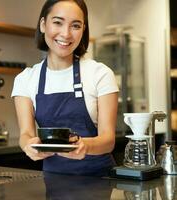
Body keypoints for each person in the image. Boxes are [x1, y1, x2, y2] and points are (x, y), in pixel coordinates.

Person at [11, 0, 119, 176]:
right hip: (53, 181)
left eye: (75, 25)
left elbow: (108, 140)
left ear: (83, 29)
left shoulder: (100, 74)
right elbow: (26, 134)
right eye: (58, 22)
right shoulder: (26, 79)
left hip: (100, 181)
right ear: (43, 24)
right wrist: (28, 146)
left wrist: (85, 146)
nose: (66, 34)